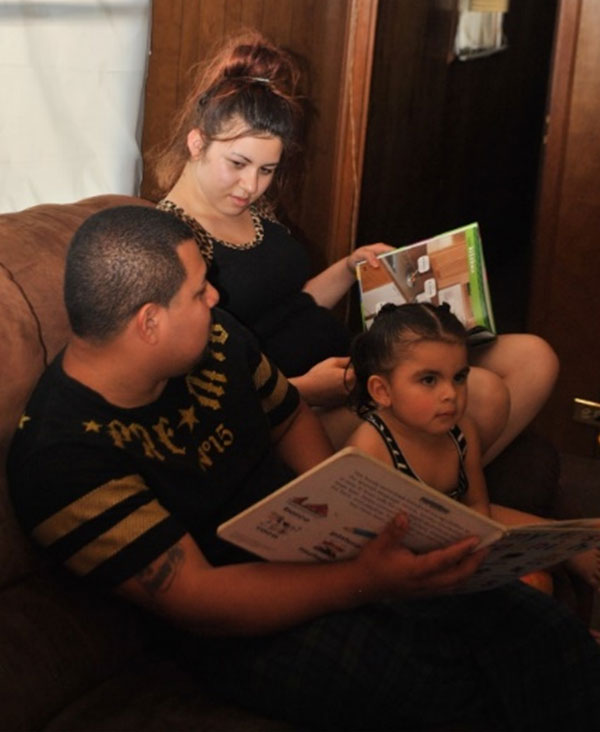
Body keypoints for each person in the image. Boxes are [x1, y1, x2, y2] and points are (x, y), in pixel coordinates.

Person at [8, 205, 600, 731]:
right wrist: (366, 578)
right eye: (197, 290)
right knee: (449, 685)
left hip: (319, 539)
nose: (214, 297)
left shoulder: (214, 339)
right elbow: (200, 599)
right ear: (148, 322)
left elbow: (288, 416)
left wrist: (349, 497)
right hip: (242, 624)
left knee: (534, 626)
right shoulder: (63, 459)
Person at [150, 29, 559, 463]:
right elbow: (197, 384)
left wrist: (348, 268)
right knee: (484, 393)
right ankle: (436, 492)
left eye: (267, 170)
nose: (251, 185)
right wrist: (303, 387)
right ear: (197, 143)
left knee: (534, 359)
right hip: (297, 408)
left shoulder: (250, 209)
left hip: (349, 367)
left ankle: (442, 485)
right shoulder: (172, 241)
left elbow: (289, 302)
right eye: (238, 164)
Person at [345, 302, 600, 591]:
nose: (450, 394)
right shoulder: (371, 446)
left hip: (454, 550)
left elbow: (478, 506)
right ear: (382, 390)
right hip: (398, 572)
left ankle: (571, 540)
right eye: (429, 380)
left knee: (539, 585)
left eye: (459, 377)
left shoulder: (462, 432)